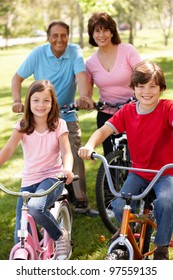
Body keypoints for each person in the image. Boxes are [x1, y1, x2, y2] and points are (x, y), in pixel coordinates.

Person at [78, 60, 173, 260]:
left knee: (165, 202)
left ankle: (162, 247)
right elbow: (105, 130)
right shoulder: (128, 111)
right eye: (141, 86)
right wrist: (89, 145)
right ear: (133, 88)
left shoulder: (167, 108)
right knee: (120, 205)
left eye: (152, 87)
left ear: (161, 89)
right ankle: (127, 238)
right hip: (139, 171)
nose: (146, 91)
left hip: (165, 172)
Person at [11, 20, 98, 217]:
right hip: (41, 115)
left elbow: (81, 76)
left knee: (75, 154)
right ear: (48, 37)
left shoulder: (74, 51)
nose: (59, 39)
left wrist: (83, 96)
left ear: (68, 36)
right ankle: (47, 196)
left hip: (66, 113)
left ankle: (81, 202)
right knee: (43, 158)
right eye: (55, 35)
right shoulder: (38, 53)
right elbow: (16, 78)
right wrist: (17, 100)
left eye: (63, 35)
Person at [0, 80, 75, 260]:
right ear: (28, 102)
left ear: (52, 103)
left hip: (52, 178)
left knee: (35, 208)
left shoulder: (59, 124)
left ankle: (59, 235)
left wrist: (67, 170)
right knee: (21, 235)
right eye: (36, 100)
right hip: (28, 182)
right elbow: (8, 149)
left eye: (45, 100)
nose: (41, 105)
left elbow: (66, 152)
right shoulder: (23, 125)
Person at [86, 12, 142, 156]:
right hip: (106, 114)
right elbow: (87, 94)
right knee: (110, 161)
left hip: (133, 110)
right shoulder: (90, 63)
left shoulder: (127, 50)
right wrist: (86, 101)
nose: (101, 35)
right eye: (97, 31)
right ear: (92, 35)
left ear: (112, 32)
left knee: (137, 156)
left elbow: (143, 75)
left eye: (105, 30)